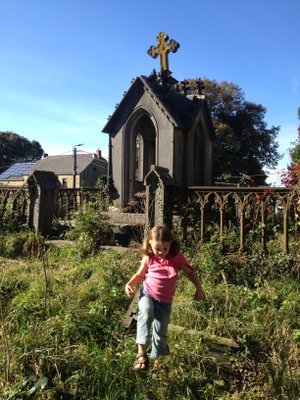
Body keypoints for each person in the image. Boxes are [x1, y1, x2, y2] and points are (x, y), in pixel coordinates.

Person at [125, 225, 206, 372]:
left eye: (165, 249)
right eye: (157, 249)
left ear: (171, 245)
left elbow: (190, 273)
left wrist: (199, 289)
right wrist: (129, 284)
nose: (161, 252)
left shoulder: (176, 257)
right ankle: (141, 353)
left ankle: (158, 360)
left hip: (165, 302)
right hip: (147, 294)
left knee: (160, 332)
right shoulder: (149, 257)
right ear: (150, 243)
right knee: (146, 312)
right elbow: (139, 274)